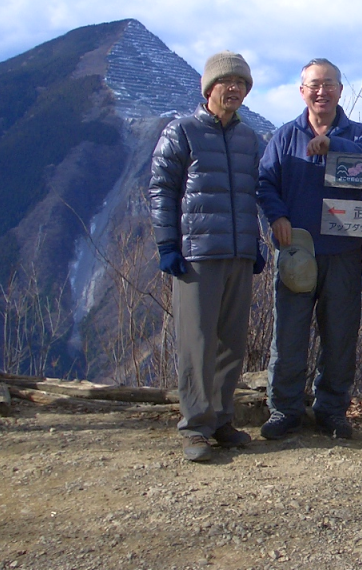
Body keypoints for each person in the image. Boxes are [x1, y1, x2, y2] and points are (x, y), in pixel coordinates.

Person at [257, 58, 362, 440]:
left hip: (343, 249)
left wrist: (336, 146)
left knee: (340, 335)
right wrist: (277, 216)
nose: (321, 91)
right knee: (289, 334)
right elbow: (265, 182)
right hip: (297, 249)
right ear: (302, 91)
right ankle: (284, 410)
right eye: (314, 85)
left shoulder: (360, 135)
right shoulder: (284, 137)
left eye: (328, 84)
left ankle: (331, 409)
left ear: (340, 90)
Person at [149, 50, 265, 462]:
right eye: (227, 82)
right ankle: (194, 427)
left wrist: (257, 244)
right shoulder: (181, 131)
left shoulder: (250, 139)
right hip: (197, 254)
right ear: (209, 88)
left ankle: (220, 419)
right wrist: (167, 244)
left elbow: (254, 195)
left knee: (231, 342)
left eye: (242, 84)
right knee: (196, 342)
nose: (234, 89)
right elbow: (161, 189)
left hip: (238, 253)